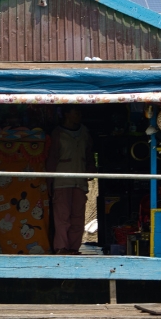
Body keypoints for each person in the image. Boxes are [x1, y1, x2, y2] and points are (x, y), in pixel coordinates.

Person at [45, 107, 94, 255]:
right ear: (66, 114)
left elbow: (89, 154)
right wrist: (49, 181)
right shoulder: (58, 134)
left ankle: (74, 248)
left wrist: (91, 170)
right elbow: (52, 159)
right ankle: (61, 247)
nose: (79, 115)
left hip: (79, 181)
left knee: (78, 217)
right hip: (62, 181)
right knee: (62, 217)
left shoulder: (84, 132)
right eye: (75, 112)